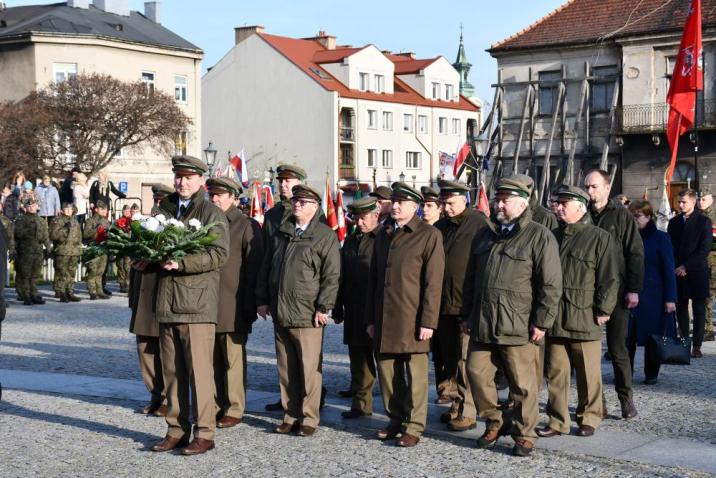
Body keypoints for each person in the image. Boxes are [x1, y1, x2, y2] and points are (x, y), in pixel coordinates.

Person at [462, 174, 562, 457]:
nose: (499, 205)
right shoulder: (485, 234)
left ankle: (525, 433)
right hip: (482, 320)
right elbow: (471, 278)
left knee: (523, 385)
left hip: (518, 324)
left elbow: (551, 284)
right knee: (476, 374)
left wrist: (542, 321)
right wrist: (467, 313)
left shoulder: (539, 236)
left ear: (522, 203)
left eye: (505, 200)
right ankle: (495, 420)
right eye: (498, 199)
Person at [149, 155, 229, 456]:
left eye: (188, 177)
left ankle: (205, 432)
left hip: (196, 304)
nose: (181, 182)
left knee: (200, 373)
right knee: (171, 372)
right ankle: (176, 429)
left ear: (200, 181)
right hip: (168, 301)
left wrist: (181, 263)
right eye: (178, 177)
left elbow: (218, 254)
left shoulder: (210, 212)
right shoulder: (165, 209)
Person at [256, 184, 340, 437]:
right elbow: (267, 267)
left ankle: (309, 417)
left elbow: (332, 275)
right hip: (282, 311)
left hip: (307, 313)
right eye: (295, 202)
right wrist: (262, 299)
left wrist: (324, 306)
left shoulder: (325, 236)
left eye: (303, 202)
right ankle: (290, 414)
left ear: (315, 207)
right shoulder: (281, 233)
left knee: (309, 369)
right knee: (286, 368)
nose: (297, 206)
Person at [366, 182, 445, 448]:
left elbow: (433, 283)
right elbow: (374, 280)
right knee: (387, 373)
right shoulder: (384, 233)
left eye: (401, 202)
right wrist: (370, 319)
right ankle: (395, 420)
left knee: (415, 376)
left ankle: (414, 425)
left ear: (415, 207)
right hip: (385, 317)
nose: (395, 206)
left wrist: (428, 321)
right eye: (394, 202)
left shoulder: (428, 235)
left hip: (412, 318)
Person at [536, 185, 618, 439]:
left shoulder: (599, 237)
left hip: (585, 315)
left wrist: (604, 308)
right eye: (557, 203)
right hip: (555, 316)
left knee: (588, 373)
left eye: (565, 204)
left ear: (580, 207)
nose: (558, 208)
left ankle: (589, 417)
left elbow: (610, 277)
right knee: (556, 373)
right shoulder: (550, 235)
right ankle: (557, 420)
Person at [260, 164, 328, 412]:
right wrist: (263, 295)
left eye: (288, 181)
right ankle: (288, 399)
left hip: (305, 298)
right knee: (286, 357)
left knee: (308, 357)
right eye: (281, 181)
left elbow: (325, 263)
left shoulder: (315, 214)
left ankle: (312, 399)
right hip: (281, 295)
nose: (283, 185)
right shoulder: (273, 216)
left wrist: (324, 303)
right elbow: (267, 256)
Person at [584, 169, 644, 419]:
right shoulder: (582, 214)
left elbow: (635, 253)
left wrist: (634, 289)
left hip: (617, 291)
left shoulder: (621, 216)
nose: (590, 192)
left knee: (618, 348)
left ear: (607, 188)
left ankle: (625, 398)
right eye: (587, 187)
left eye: (594, 187)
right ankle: (596, 403)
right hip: (586, 291)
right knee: (587, 351)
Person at [206, 178, 264, 429]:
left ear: (233, 197)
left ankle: (235, 407)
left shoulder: (244, 225)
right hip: (207, 302)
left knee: (232, 358)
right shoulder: (207, 222)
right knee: (213, 359)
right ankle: (217, 404)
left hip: (233, 301)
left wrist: (252, 303)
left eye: (220, 195)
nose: (215, 199)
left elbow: (255, 267)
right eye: (212, 195)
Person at [433, 179, 487, 432]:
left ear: (464, 200)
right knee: (449, 359)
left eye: (450, 203)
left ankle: (468, 410)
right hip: (443, 303)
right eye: (443, 203)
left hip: (465, 304)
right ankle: (455, 404)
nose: (445, 207)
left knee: (466, 361)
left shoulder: (478, 224)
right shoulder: (441, 225)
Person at [334, 197, 381, 419]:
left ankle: (397, 411)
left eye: (363, 218)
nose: (359, 222)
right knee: (359, 360)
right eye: (356, 218)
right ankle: (361, 405)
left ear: (375, 215)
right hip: (354, 308)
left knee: (386, 362)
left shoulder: (385, 238)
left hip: (378, 310)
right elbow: (342, 276)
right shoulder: (351, 241)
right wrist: (337, 306)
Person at [627, 200, 677, 383]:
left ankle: (651, 373)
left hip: (654, 296)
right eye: (631, 215)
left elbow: (668, 269)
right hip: (628, 295)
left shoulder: (660, 238)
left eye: (637, 216)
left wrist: (670, 298)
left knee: (652, 338)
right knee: (626, 339)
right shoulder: (626, 236)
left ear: (648, 216)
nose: (634, 219)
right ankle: (625, 374)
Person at [668, 189, 712, 358]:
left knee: (699, 309)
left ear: (693, 202)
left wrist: (686, 266)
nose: (680, 205)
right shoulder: (674, 222)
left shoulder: (704, 221)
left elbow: (704, 248)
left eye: (684, 202)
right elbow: (670, 246)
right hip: (678, 272)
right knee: (681, 309)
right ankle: (685, 341)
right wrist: (676, 266)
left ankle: (697, 345)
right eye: (679, 202)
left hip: (696, 271)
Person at [13, 196, 51, 305]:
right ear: (25, 207)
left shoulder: (41, 220)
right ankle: (26, 296)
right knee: (26, 274)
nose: (31, 208)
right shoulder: (21, 219)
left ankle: (34, 294)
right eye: (28, 206)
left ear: (37, 207)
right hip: (25, 249)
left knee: (35, 274)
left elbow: (45, 236)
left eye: (33, 206)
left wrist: (48, 248)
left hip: (38, 250)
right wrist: (29, 229)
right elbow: (18, 233)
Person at [50, 203, 83, 303]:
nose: (68, 211)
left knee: (72, 273)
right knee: (62, 273)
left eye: (70, 209)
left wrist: (79, 249)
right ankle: (61, 293)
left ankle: (70, 292)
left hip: (74, 251)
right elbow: (54, 236)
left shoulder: (75, 221)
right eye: (66, 209)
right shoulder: (57, 220)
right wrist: (64, 228)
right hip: (63, 251)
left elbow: (79, 236)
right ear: (62, 210)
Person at [697, 189, 716, 342]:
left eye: (703, 199)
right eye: (699, 199)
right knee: (706, 298)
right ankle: (706, 328)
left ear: (711, 200)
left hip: (713, 263)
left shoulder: (713, 217)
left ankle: (708, 328)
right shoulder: (697, 217)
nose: (700, 202)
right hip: (703, 264)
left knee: (708, 298)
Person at [83, 201, 111, 300]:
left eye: (105, 209)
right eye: (102, 209)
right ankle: (92, 291)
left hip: (103, 248)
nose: (104, 211)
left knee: (100, 271)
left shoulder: (106, 221)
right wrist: (96, 229)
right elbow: (85, 234)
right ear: (96, 209)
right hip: (93, 247)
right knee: (92, 270)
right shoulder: (90, 221)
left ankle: (100, 291)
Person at [114, 205, 133, 293]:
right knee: (120, 266)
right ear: (122, 212)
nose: (127, 212)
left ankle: (128, 284)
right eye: (125, 211)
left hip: (128, 247)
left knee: (128, 266)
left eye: (128, 211)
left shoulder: (132, 221)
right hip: (120, 246)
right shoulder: (118, 221)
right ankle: (122, 284)